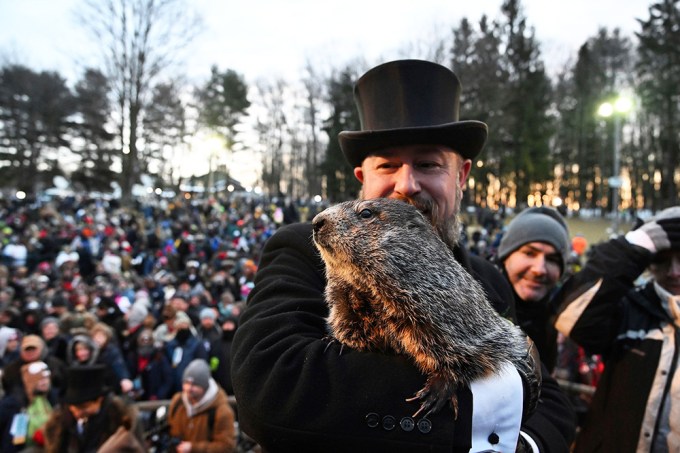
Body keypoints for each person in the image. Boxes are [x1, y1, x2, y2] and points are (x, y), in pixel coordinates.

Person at [231, 59, 576, 452]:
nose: (407, 184)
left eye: (428, 164)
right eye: (388, 164)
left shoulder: (487, 277)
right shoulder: (304, 249)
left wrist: (524, 445)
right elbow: (272, 387)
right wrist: (484, 417)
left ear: (460, 177)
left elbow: (550, 399)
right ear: (363, 179)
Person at [553, 206, 680, 451]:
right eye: (662, 260)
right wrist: (636, 243)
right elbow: (570, 316)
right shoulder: (630, 308)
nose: (674, 272)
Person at [494, 206, 571, 372]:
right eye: (529, 253)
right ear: (505, 257)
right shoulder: (476, 303)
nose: (540, 269)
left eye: (551, 259)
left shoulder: (557, 318)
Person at [43, 364, 143, 452]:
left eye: (84, 407)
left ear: (99, 400)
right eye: (72, 407)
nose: (77, 412)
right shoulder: (60, 423)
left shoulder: (121, 420)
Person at [167, 358, 236, 453]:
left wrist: (193, 448)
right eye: (186, 383)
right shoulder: (177, 401)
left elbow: (226, 446)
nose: (189, 389)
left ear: (205, 386)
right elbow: (171, 431)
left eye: (194, 385)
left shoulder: (222, 411)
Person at [0, 361, 55, 452]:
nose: (45, 382)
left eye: (46, 379)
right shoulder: (14, 403)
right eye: (40, 380)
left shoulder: (50, 398)